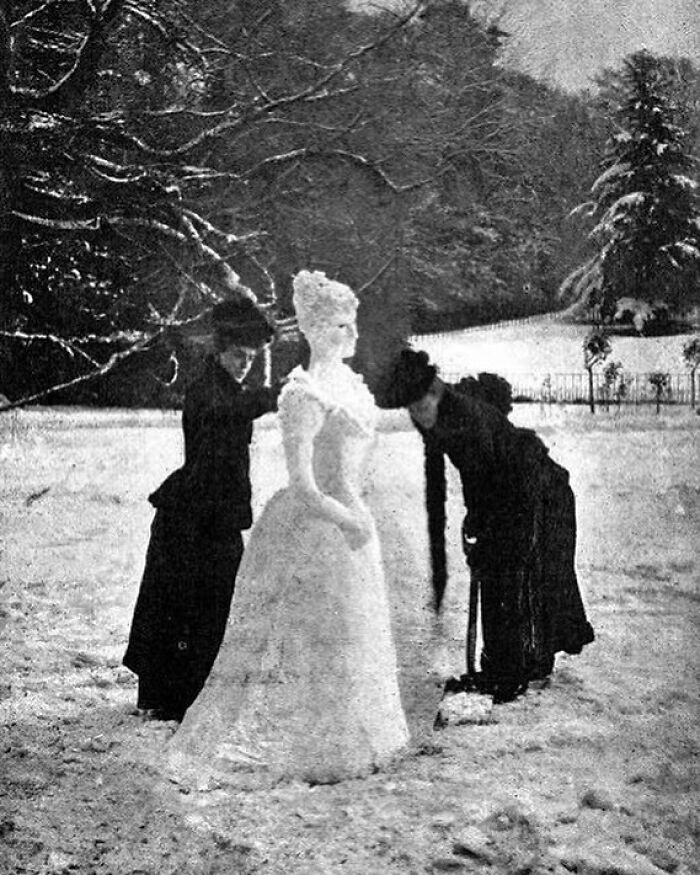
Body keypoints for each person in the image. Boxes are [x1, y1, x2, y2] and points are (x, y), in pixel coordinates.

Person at [167, 270, 409, 788]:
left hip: (344, 524)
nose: (353, 336)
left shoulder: (347, 387)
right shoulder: (296, 393)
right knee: (284, 633)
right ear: (318, 331)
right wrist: (348, 518)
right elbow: (303, 481)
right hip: (297, 520)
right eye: (342, 326)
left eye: (353, 325)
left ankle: (349, 740)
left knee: (346, 634)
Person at [387, 349, 595, 704]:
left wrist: (481, 528)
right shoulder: (440, 416)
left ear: (433, 392)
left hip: (538, 491)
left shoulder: (465, 416)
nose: (416, 416)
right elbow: (447, 486)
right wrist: (465, 535)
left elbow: (491, 482)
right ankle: (518, 665)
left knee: (509, 573)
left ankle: (507, 674)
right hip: (521, 491)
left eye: (417, 405)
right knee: (508, 571)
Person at [123, 297, 280, 722]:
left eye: (250, 358)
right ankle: (175, 696)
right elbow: (224, 414)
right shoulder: (206, 389)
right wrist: (272, 397)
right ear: (220, 351)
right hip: (191, 515)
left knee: (214, 602)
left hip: (215, 514)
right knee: (187, 603)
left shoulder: (229, 389)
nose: (244, 364)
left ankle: (194, 691)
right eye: (238, 356)